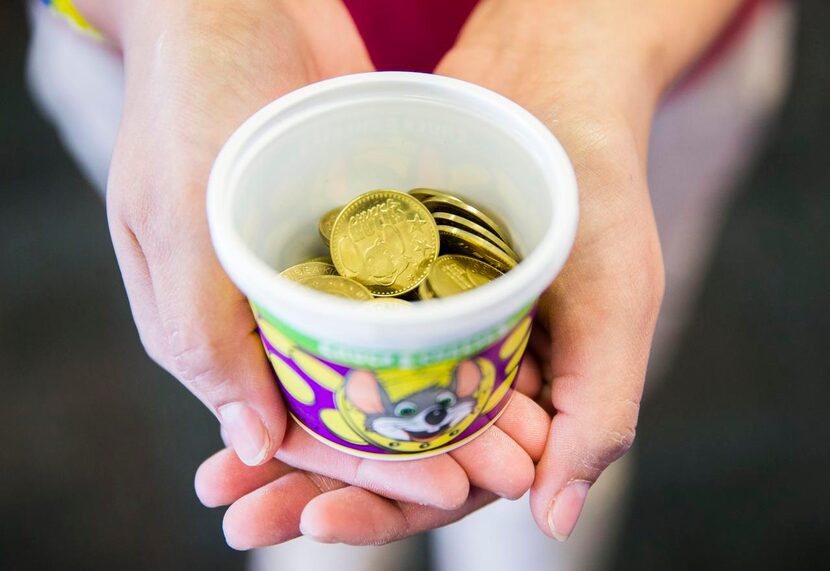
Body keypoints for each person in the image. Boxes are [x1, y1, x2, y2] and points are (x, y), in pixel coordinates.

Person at [28, 0, 794, 568]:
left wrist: (593, 31)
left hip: (640, 68)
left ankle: (523, 535)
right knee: (306, 483)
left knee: (562, 415)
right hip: (184, 78)